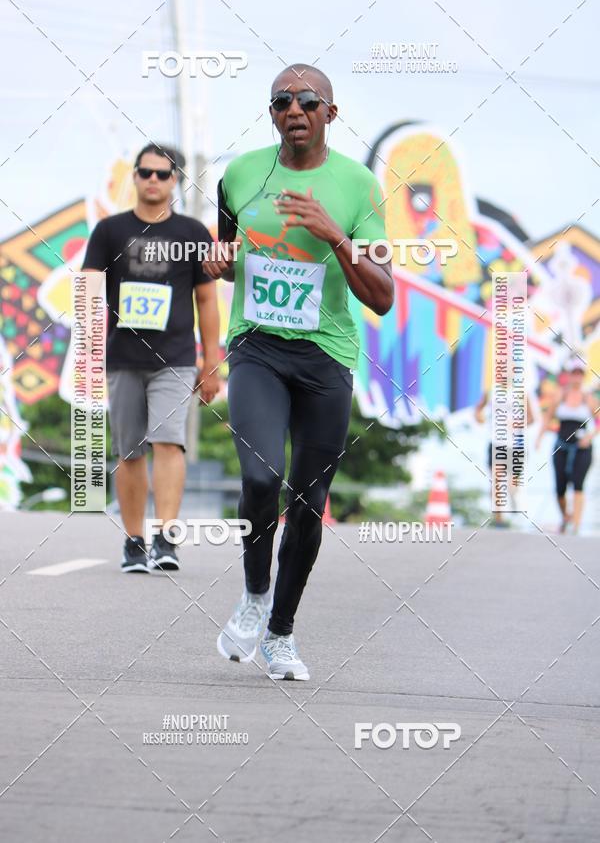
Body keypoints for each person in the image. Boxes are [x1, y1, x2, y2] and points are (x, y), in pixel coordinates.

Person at [203, 64, 394, 680]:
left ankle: (281, 634)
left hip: (325, 358)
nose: (295, 109)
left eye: (309, 101)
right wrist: (220, 262)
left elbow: (383, 296)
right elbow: (228, 251)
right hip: (257, 347)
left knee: (308, 502)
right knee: (261, 479)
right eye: (282, 100)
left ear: (329, 114)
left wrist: (332, 232)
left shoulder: (358, 186)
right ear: (273, 113)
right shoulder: (238, 173)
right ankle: (256, 592)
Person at [82, 143, 220, 572]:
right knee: (129, 451)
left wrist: (211, 361)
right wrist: (87, 355)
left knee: (168, 441)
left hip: (175, 359)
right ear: (136, 177)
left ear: (175, 178)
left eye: (163, 173)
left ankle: (166, 539)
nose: (153, 180)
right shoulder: (110, 232)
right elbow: (88, 290)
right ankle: (134, 542)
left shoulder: (193, 233)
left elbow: (207, 300)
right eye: (145, 172)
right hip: (122, 358)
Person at [535, 356, 598, 534]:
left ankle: (576, 526)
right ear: (569, 375)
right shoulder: (559, 395)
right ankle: (565, 516)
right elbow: (547, 417)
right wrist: (539, 437)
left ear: (583, 376)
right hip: (561, 445)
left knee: (578, 485)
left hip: (582, 448)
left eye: (579, 374)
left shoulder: (588, 398)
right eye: (573, 374)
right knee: (560, 488)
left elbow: (598, 421)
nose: (576, 377)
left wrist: (591, 436)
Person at [475, 390, 534, 528]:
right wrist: (480, 417)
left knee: (512, 485)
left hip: (516, 445)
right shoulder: (491, 391)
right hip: (496, 443)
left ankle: (514, 501)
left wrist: (518, 423)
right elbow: (478, 411)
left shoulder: (522, 392)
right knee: (496, 481)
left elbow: (531, 418)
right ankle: (499, 520)